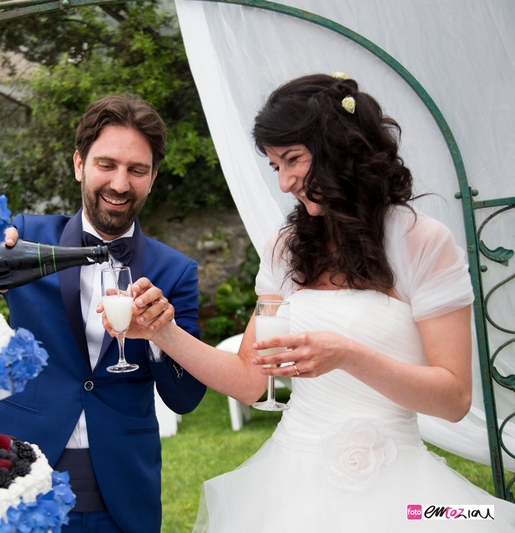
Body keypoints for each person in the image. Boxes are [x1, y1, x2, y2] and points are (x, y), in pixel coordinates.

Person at [119, 74, 515, 531]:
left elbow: (454, 399)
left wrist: (348, 355)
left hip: (404, 497)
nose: (285, 182)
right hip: (289, 486)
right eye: (274, 166)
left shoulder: (423, 241)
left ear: (340, 148)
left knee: (477, 519)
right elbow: (250, 381)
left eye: (293, 160)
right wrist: (161, 331)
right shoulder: (284, 249)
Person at [0, 94, 206, 533]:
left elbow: (186, 398)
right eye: (106, 164)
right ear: (79, 164)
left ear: (152, 178)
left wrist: (160, 336)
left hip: (118, 491)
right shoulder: (25, 236)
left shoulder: (175, 272)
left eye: (137, 170)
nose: (120, 183)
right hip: (15, 471)